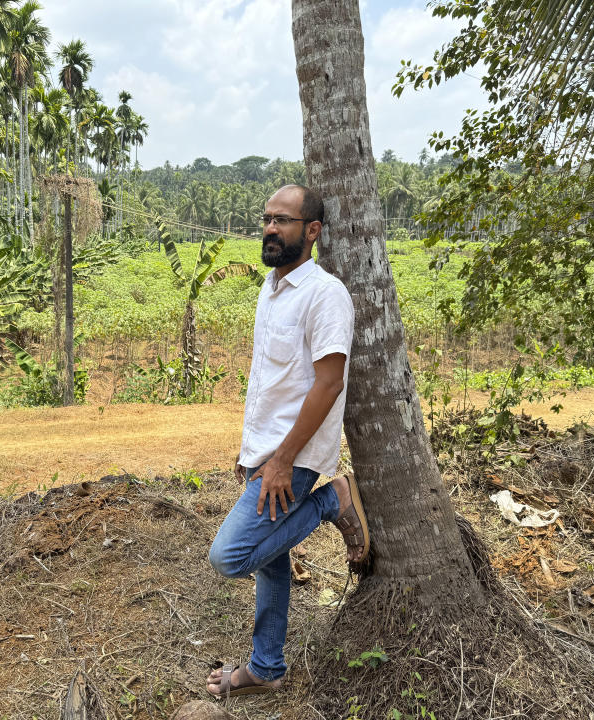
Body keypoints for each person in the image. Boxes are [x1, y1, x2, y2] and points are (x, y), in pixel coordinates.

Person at [206, 184, 369, 699]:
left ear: (312, 231)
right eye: (266, 219)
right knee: (270, 563)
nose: (270, 229)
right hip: (267, 452)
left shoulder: (325, 295)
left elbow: (328, 383)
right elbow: (269, 382)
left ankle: (333, 500)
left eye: (283, 220)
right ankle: (266, 667)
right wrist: (250, 452)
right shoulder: (271, 289)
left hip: (293, 459)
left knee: (231, 556)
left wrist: (281, 461)